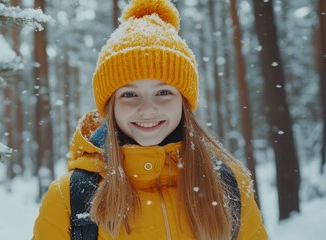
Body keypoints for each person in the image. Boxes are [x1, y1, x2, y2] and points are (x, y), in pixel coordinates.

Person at [32, 0, 267, 239]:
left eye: (163, 92)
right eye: (129, 94)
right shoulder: (70, 198)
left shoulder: (227, 185)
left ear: (184, 102)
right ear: (110, 106)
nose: (147, 109)